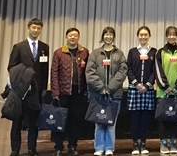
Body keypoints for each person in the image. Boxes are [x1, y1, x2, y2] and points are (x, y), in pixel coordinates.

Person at [7, 18, 50, 156]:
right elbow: (11, 67)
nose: (36, 30)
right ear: (28, 28)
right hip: (21, 91)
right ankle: (15, 149)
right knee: (17, 122)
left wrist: (43, 89)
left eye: (38, 28)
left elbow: (44, 70)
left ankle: (32, 149)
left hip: (36, 92)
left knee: (34, 122)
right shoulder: (19, 47)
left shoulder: (44, 47)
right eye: (33, 28)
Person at [86, 26, 128, 156]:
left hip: (114, 94)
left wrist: (110, 88)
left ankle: (109, 148)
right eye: (106, 34)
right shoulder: (95, 53)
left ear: (113, 37)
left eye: (110, 34)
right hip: (98, 94)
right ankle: (99, 148)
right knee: (99, 122)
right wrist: (101, 88)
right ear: (103, 36)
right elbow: (89, 72)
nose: (108, 37)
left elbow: (123, 72)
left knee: (111, 123)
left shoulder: (119, 54)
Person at [50, 27, 90, 156]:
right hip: (62, 93)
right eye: (70, 35)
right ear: (66, 37)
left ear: (79, 37)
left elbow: (87, 72)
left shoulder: (84, 52)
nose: (73, 37)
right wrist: (55, 92)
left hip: (78, 93)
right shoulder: (59, 52)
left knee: (75, 121)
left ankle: (73, 146)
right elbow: (54, 73)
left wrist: (86, 90)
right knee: (60, 120)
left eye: (75, 35)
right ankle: (58, 147)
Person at [126, 25, 157, 155]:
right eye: (141, 35)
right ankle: (135, 144)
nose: (143, 37)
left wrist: (148, 85)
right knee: (135, 118)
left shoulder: (154, 52)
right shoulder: (132, 51)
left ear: (149, 36)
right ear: (138, 36)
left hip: (148, 90)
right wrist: (136, 84)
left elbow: (155, 70)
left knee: (145, 118)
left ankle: (143, 143)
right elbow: (128, 69)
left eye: (145, 35)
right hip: (135, 89)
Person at [155, 26, 177, 155]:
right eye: (169, 34)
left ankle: (173, 142)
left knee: (175, 118)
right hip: (163, 92)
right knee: (163, 119)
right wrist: (165, 86)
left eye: (174, 34)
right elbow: (158, 70)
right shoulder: (160, 52)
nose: (172, 37)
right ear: (166, 36)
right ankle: (163, 143)